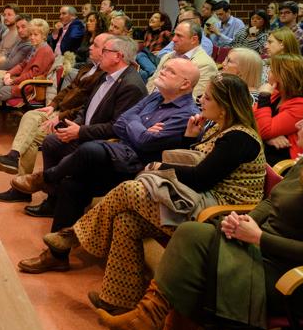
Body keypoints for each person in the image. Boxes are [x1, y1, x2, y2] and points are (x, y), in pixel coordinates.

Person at [98, 100, 303, 330]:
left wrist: (258, 237)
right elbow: (273, 201)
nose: (297, 126)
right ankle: (152, 322)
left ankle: (152, 323)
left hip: (293, 281)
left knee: (193, 256)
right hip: (264, 256)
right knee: (193, 238)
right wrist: (247, 219)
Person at [48, 74, 265, 313]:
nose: (201, 100)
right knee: (126, 220)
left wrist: (161, 167)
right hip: (198, 197)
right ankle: (118, 300)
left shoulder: (239, 137)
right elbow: (195, 162)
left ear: (224, 107)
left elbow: (201, 178)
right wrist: (189, 137)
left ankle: (74, 235)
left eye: (208, 98)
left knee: (131, 188)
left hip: (219, 213)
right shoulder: (217, 127)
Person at [10, 59, 201, 272]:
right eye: (164, 68)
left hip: (140, 172)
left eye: (171, 71)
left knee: (90, 150)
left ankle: (44, 179)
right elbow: (120, 123)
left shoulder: (185, 114)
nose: (163, 71)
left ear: (185, 84)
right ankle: (56, 256)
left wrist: (135, 124)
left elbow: (144, 142)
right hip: (119, 155)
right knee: (70, 184)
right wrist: (142, 127)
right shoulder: (156, 97)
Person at [0, 36, 147, 207]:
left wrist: (76, 129)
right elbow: (87, 106)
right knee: (47, 137)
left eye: (104, 50)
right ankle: (50, 197)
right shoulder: (105, 75)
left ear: (118, 56)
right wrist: (71, 121)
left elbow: (116, 127)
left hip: (101, 143)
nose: (98, 52)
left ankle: (42, 187)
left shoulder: (130, 85)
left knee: (41, 134)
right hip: (79, 124)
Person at [256, 54, 303, 164]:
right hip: (263, 148)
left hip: (283, 160)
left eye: (272, 71)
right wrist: (268, 138)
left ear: (284, 77)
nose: (268, 73)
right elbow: (247, 117)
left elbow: (264, 130)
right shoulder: (277, 94)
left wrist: (264, 96)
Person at [146, 20, 217, 100]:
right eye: (174, 35)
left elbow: (195, 99)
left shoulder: (205, 64)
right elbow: (152, 82)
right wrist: (145, 102)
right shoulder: (168, 56)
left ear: (194, 40)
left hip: (169, 106)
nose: (173, 39)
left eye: (179, 36)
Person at [135, 11, 172, 81]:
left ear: (162, 23)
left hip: (158, 59)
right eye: (151, 17)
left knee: (140, 54)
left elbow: (175, 46)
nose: (151, 19)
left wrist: (161, 52)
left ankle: (153, 72)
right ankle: (152, 74)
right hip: (148, 60)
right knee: (143, 74)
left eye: (156, 18)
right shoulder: (147, 33)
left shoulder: (166, 33)